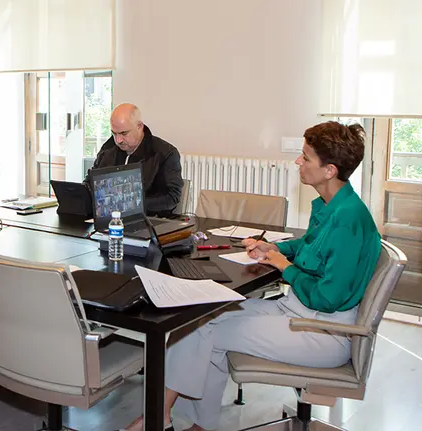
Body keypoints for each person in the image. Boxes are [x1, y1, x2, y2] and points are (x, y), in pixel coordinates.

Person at [121, 121, 381, 431]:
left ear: (329, 170)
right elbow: (310, 245)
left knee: (204, 333)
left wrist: (283, 264)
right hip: (299, 310)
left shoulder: (348, 220)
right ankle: (177, 420)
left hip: (322, 330)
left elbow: (327, 297)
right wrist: (275, 247)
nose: (298, 161)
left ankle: (159, 418)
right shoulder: (333, 206)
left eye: (306, 157)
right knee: (201, 319)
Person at [84, 103, 183, 217]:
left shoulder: (165, 153)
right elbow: (90, 183)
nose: (118, 140)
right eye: (114, 133)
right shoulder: (108, 149)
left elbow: (172, 197)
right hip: (109, 218)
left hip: (149, 219)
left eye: (124, 133)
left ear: (139, 126)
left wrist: (131, 204)